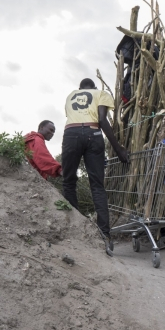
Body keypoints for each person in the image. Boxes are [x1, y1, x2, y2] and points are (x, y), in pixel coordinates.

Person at [62, 78, 129, 249]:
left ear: (79, 88)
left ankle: (75, 227)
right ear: (94, 87)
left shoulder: (71, 96)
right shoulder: (101, 93)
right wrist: (119, 148)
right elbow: (101, 119)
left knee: (69, 181)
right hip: (93, 134)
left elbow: (72, 117)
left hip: (71, 134)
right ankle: (105, 235)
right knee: (97, 186)